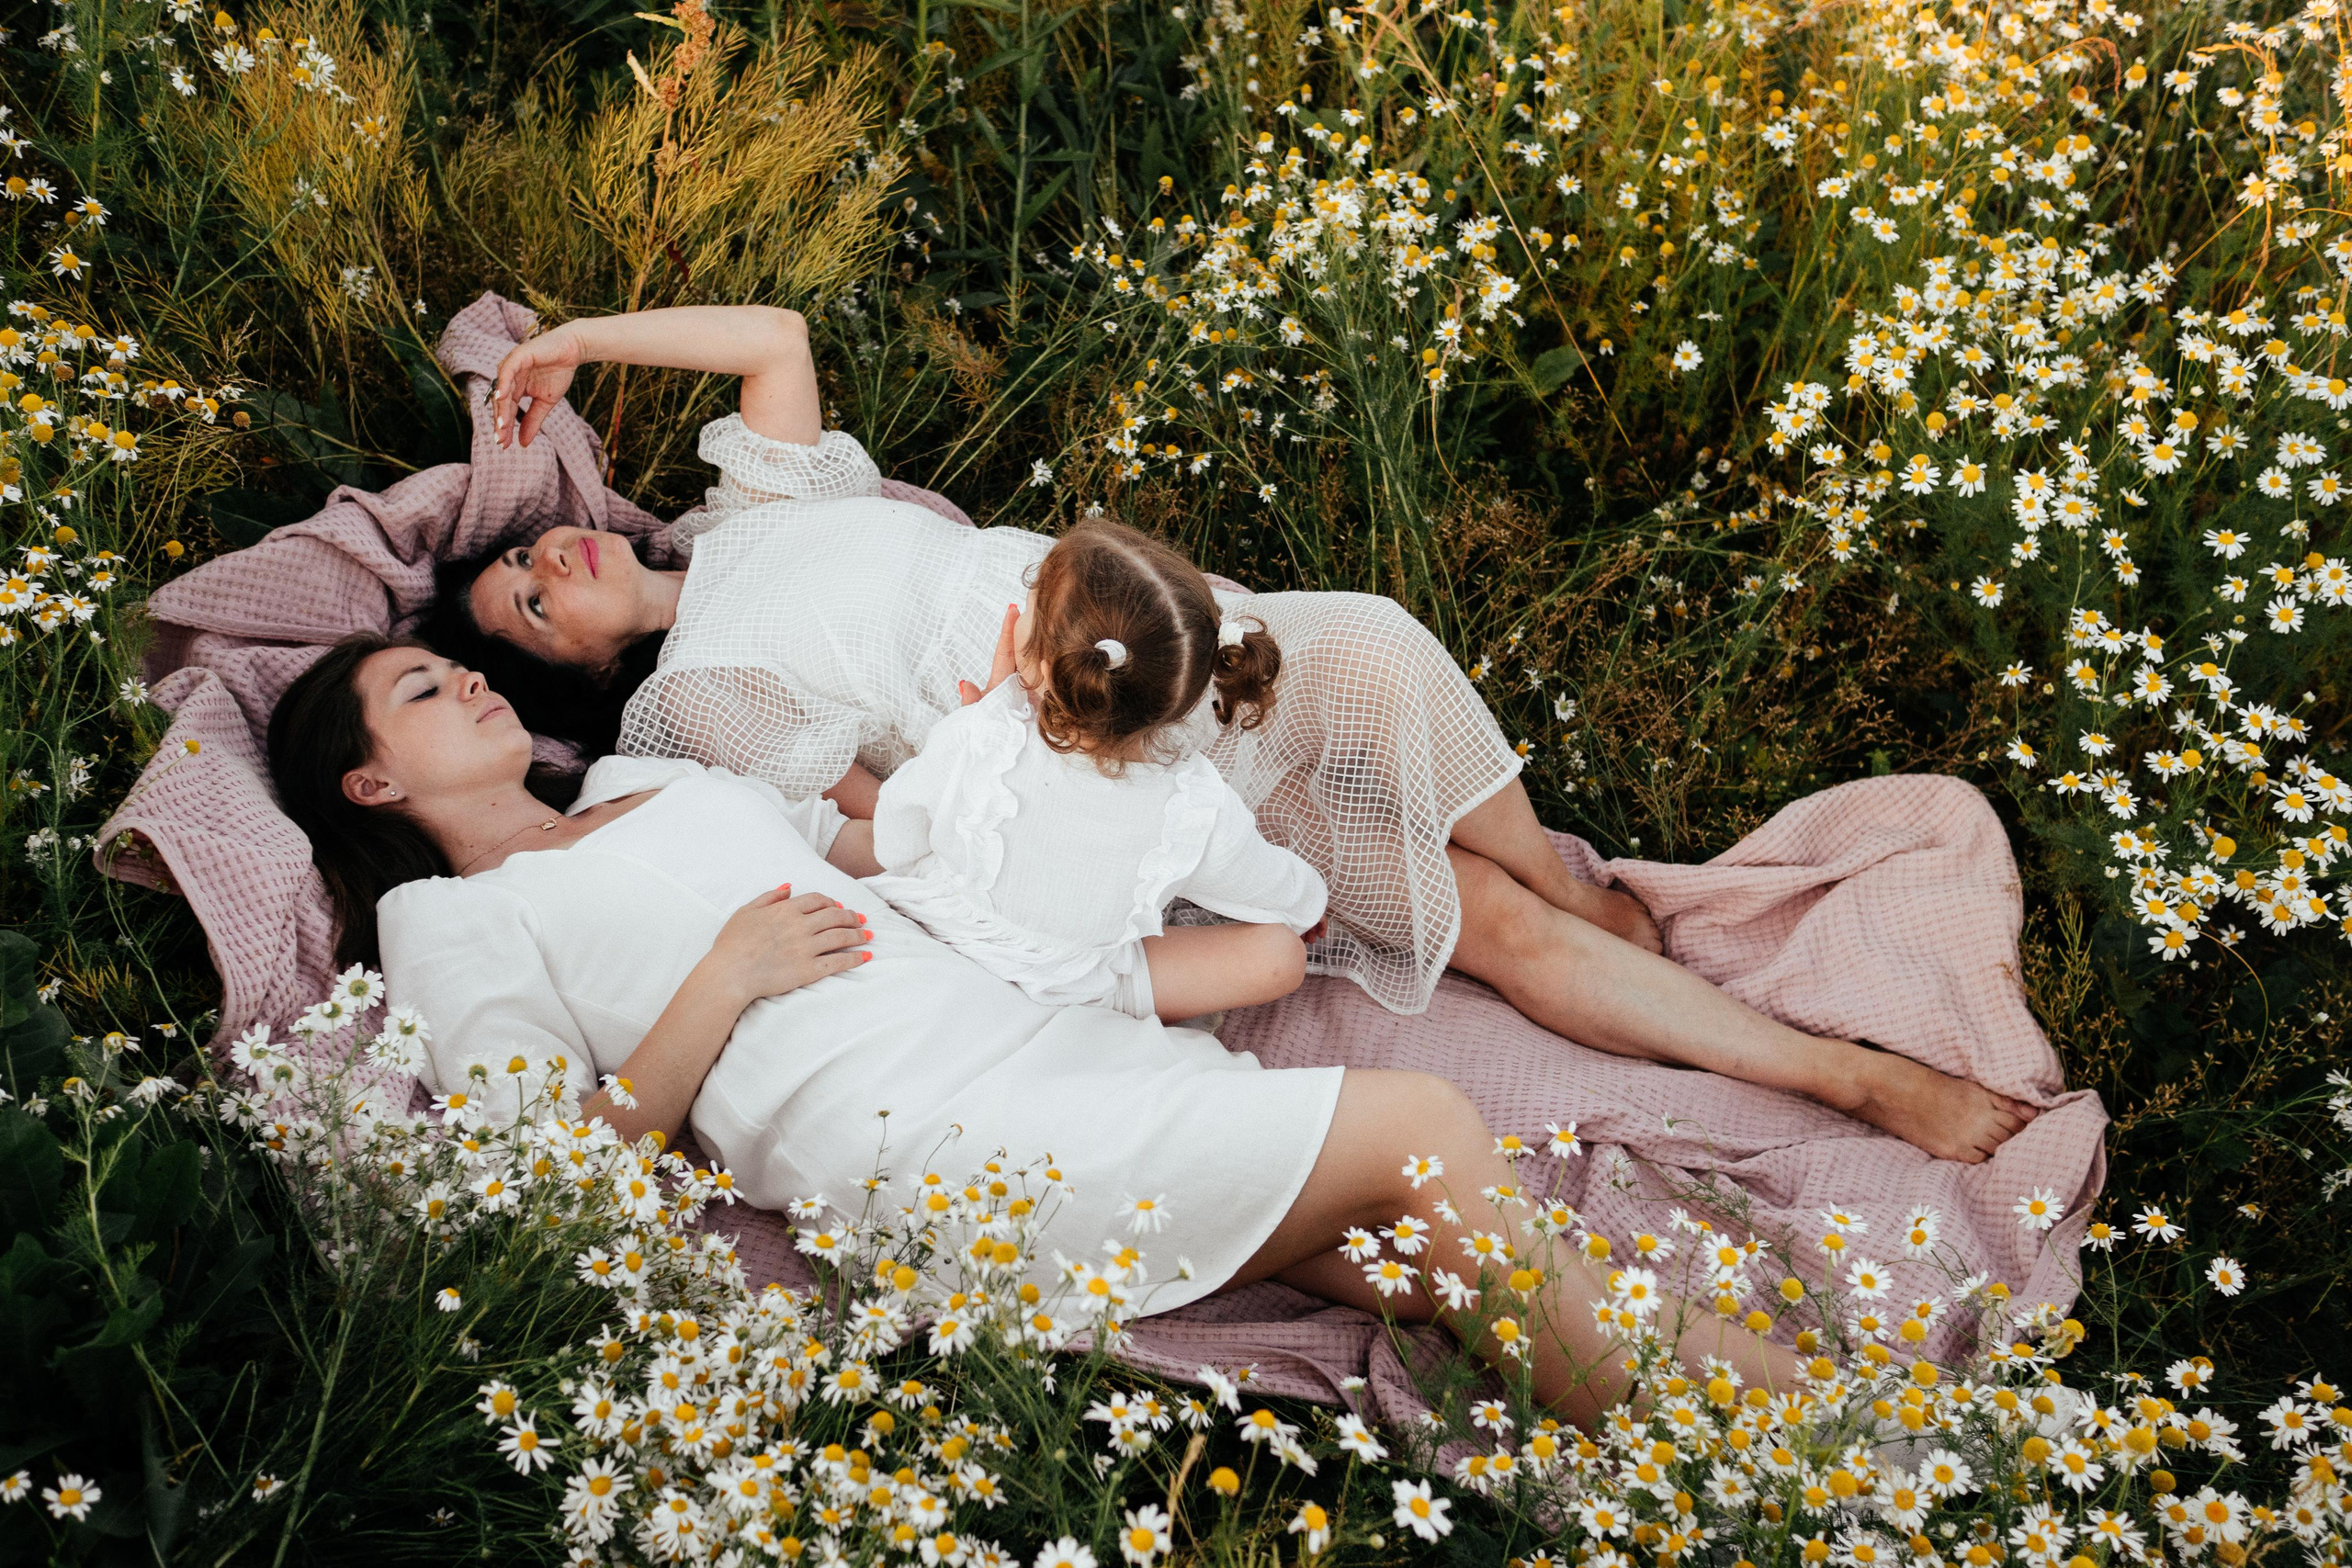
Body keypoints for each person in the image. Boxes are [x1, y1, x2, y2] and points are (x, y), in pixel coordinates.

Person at [424, 303, 2040, 1164]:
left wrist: (579, 340)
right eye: (516, 609)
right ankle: (1847, 1076)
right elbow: (891, 800)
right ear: (563, 671)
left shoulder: (751, 503)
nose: (538, 568)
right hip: (1099, 733)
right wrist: (1053, 742)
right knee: (1477, 931)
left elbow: (772, 336)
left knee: (1381, 646)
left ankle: (1569, 875)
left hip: (1191, 634)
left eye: (524, 551)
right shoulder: (679, 698)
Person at [266, 633, 1802, 1427]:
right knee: (1423, 1133)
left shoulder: (630, 783)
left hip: (1027, 1041)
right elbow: (545, 1191)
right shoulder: (448, 922)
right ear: (371, 784)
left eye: (456, 664)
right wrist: (722, 979)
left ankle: (1819, 1433)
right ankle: (1752, 1469)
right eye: (422, 686)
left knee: (1425, 1257)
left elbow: (897, 852)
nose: (468, 679)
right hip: (918, 1133)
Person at [866, 517, 1327, 1023]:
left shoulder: (976, 735)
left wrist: (985, 718)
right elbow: (1264, 881)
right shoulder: (1196, 805)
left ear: (1041, 664)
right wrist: (1306, 909)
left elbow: (895, 834)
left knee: (850, 834)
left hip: (943, 929)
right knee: (1281, 956)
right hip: (1077, 985)